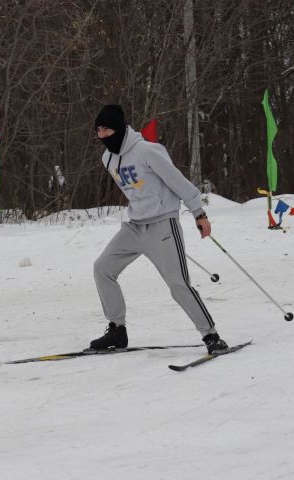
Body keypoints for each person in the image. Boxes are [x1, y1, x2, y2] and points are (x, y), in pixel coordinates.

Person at [89, 104, 228, 354]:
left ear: (119, 129)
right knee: (103, 269)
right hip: (133, 227)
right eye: (98, 130)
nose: (102, 135)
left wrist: (199, 213)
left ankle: (211, 336)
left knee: (177, 283)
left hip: (162, 225)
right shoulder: (107, 158)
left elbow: (178, 181)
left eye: (107, 129)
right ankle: (117, 329)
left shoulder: (148, 151)